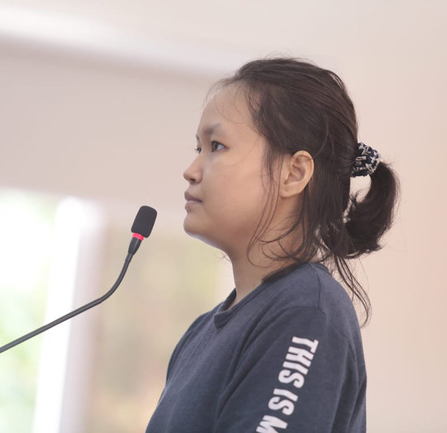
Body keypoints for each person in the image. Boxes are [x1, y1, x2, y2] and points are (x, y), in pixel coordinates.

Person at [146, 57, 399, 433]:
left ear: (293, 173)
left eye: (216, 146)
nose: (191, 170)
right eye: (198, 148)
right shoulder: (201, 332)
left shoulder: (305, 312)